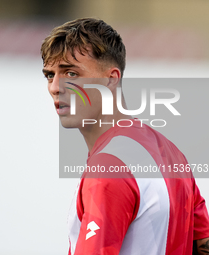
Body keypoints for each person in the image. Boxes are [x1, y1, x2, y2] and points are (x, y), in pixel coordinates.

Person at [41, 17, 209, 255]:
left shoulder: (109, 167)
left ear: (111, 78)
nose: (55, 87)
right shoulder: (171, 152)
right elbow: (203, 243)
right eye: (49, 75)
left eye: (71, 73)